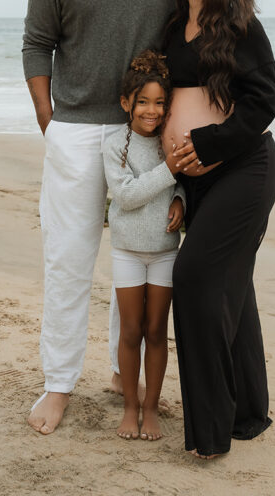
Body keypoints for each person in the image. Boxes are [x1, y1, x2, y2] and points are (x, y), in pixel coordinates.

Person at [22, 0, 178, 435]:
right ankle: (58, 385)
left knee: (136, 260)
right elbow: (37, 44)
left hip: (144, 132)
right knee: (68, 261)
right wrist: (49, 117)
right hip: (78, 132)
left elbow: (191, 45)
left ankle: (122, 372)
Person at [162, 0, 275, 459]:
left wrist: (209, 146)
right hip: (197, 181)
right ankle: (247, 413)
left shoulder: (240, 29)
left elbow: (265, 99)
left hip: (243, 169)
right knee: (235, 286)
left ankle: (209, 433)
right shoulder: (172, 29)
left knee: (193, 277)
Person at [102, 51, 185, 442]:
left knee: (156, 331)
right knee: (131, 331)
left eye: (159, 102)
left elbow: (185, 180)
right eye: (143, 102)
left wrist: (181, 197)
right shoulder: (115, 144)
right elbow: (126, 196)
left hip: (166, 249)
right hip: (128, 250)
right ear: (126, 103)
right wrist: (168, 171)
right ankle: (130, 407)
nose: (152, 110)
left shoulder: (169, 140)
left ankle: (151, 408)